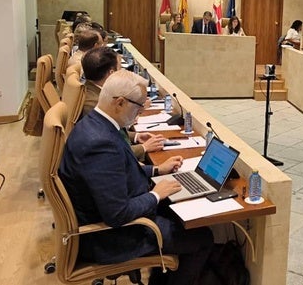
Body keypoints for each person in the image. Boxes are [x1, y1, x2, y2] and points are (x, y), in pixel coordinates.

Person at [59, 70, 213, 285]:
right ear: (120, 103)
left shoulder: (95, 125)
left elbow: (117, 173)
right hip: (111, 238)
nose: (141, 111)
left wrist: (157, 171)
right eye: (139, 105)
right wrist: (155, 195)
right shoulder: (99, 144)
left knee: (179, 213)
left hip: (113, 216)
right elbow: (117, 214)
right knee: (203, 237)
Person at [80, 47, 165, 160]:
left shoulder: (92, 92)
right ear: (111, 74)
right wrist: (143, 148)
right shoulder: (94, 103)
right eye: (120, 68)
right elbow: (109, 150)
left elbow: (114, 132)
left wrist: (136, 136)